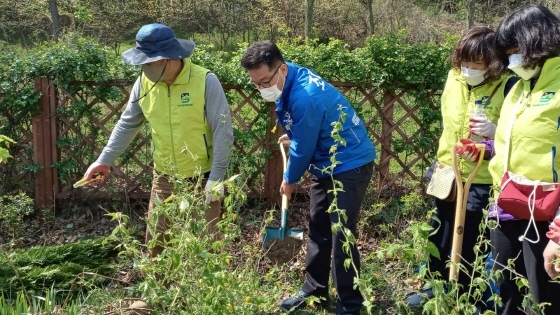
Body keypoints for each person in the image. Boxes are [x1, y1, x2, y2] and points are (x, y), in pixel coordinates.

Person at [241, 41, 376, 315]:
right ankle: (314, 290)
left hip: (349, 164)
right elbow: (311, 126)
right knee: (318, 227)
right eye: (255, 84)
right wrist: (298, 133)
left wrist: (289, 181)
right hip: (326, 161)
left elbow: (303, 148)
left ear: (282, 68)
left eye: (265, 81)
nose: (262, 88)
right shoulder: (292, 78)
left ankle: (349, 304)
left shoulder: (306, 94)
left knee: (342, 235)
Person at [81, 23, 234, 258]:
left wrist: (215, 179)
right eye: (141, 63)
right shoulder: (144, 83)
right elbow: (127, 123)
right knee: (156, 243)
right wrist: (104, 160)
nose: (145, 68)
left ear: (170, 58)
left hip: (202, 177)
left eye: (149, 63)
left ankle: (199, 293)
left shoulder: (205, 81)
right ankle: (159, 293)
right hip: (164, 177)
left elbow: (223, 132)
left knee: (206, 244)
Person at [405, 26, 517, 311]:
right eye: (464, 63)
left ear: (492, 64)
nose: (468, 70)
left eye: (476, 65)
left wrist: (496, 130)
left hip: (481, 175)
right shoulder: (454, 77)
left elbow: (515, 131)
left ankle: (470, 292)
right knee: (438, 229)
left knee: (471, 236)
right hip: (446, 167)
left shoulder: (507, 85)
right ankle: (433, 285)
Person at [487, 4, 560, 314]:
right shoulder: (518, 89)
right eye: (508, 52)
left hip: (548, 219)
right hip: (508, 209)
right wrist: (487, 148)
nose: (512, 59)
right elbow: (516, 143)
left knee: (543, 300)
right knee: (505, 293)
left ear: (539, 42)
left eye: (516, 50)